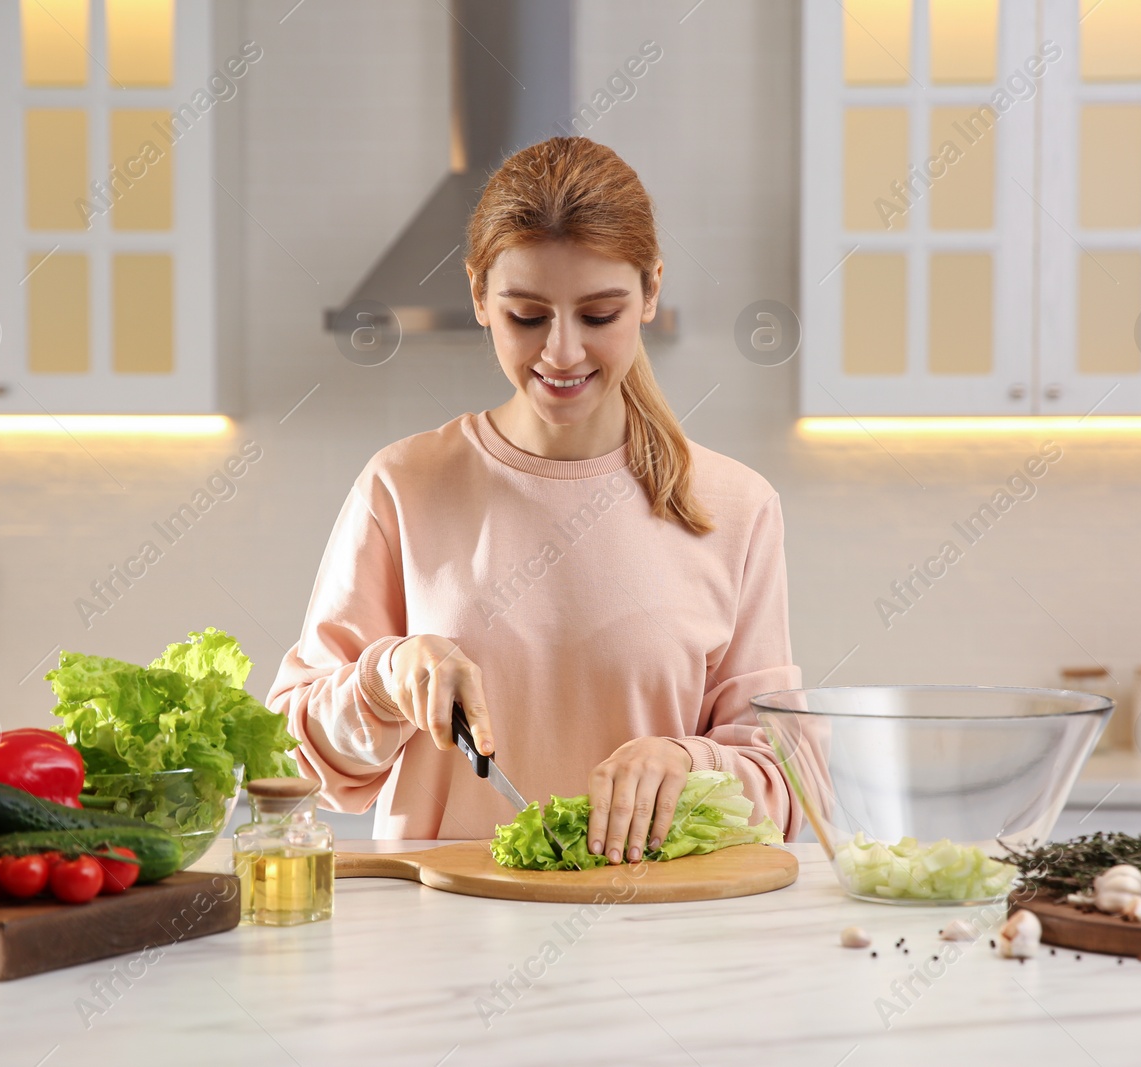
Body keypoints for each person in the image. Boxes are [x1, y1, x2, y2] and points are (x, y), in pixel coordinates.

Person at [267, 136, 802, 864]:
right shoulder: (402, 485)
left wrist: (688, 762)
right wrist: (385, 679)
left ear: (650, 292)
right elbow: (291, 762)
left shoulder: (736, 507)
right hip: (438, 942)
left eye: (599, 315)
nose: (561, 353)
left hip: (657, 938)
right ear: (480, 295)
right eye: (527, 316)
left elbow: (788, 787)